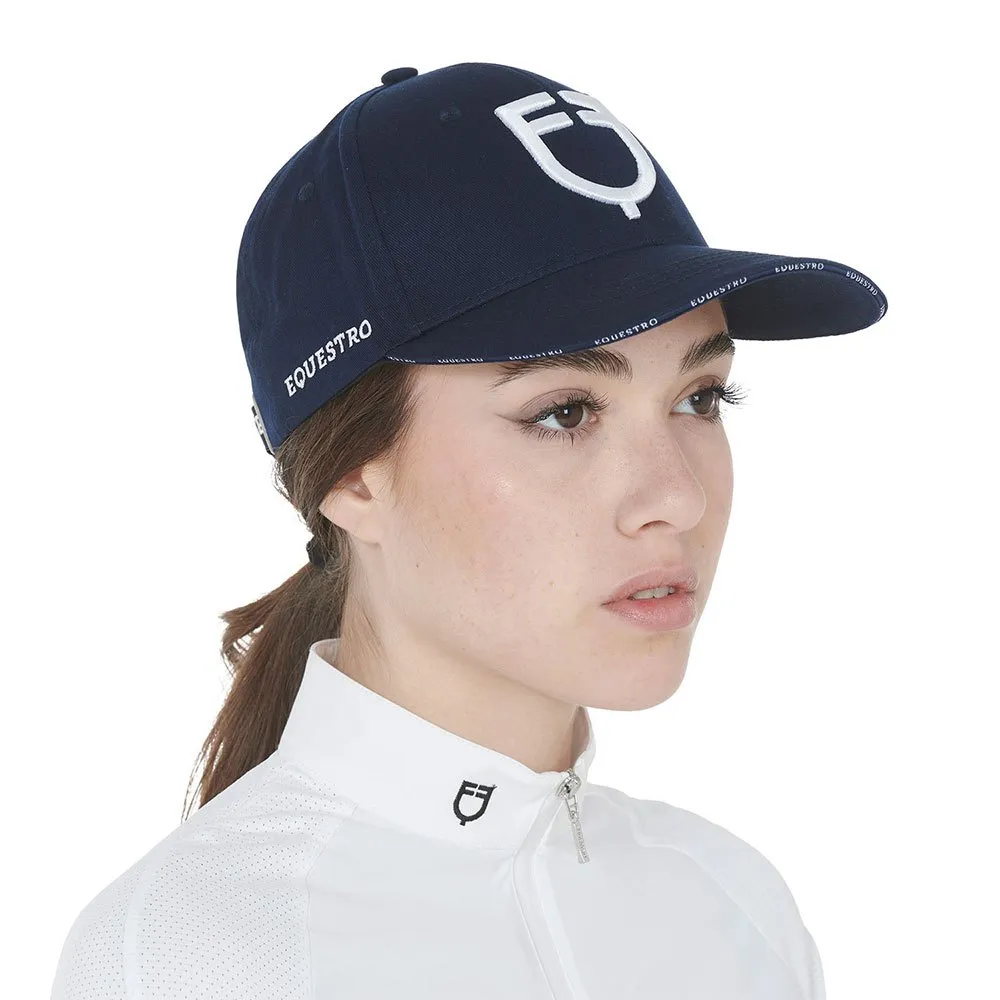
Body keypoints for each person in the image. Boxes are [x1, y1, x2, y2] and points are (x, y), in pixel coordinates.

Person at [49, 61, 888, 999]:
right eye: (565, 412)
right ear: (352, 476)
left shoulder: (733, 906)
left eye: (700, 397)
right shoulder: (189, 954)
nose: (678, 499)